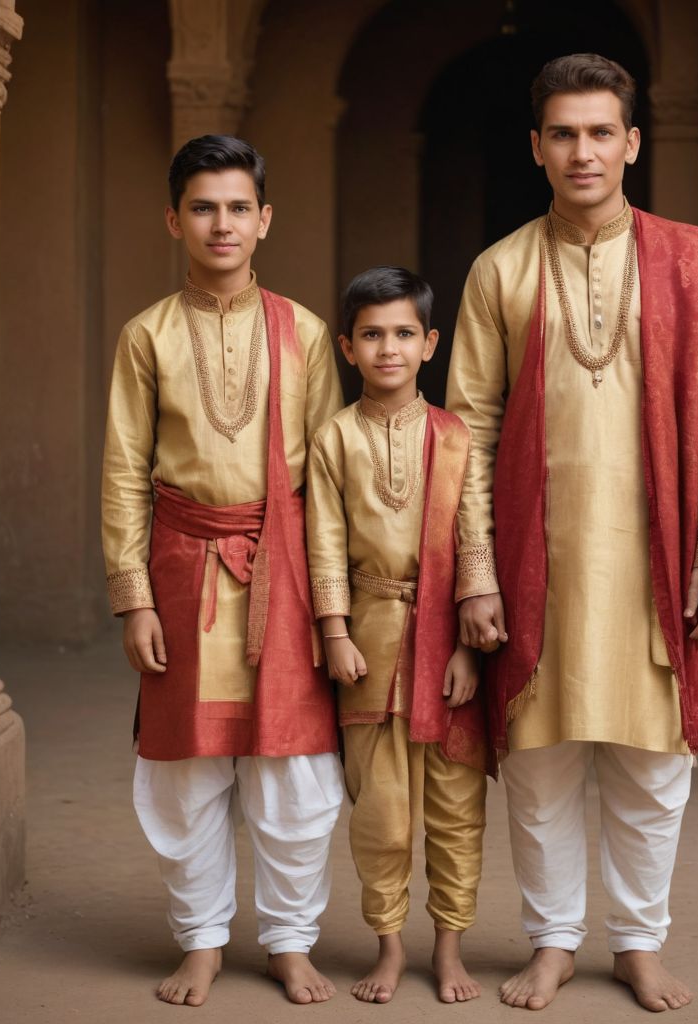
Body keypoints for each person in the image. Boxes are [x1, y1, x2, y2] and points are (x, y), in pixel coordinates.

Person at [446, 54, 698, 1012]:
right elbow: (467, 431)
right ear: (537, 149)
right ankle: (552, 941)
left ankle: (637, 941)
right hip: (539, 560)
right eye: (564, 134)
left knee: (654, 763)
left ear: (631, 143)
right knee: (538, 762)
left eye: (600, 132)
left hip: (652, 559)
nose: (584, 151)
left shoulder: (685, 262)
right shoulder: (499, 268)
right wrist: (478, 574)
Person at [101, 134, 344, 1007]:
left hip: (284, 561)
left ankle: (288, 940)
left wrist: (331, 610)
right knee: (187, 767)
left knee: (292, 769)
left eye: (239, 207)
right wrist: (134, 600)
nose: (222, 223)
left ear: (265, 220)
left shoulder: (307, 332)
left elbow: (331, 477)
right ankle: (201, 940)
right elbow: (126, 470)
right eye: (203, 207)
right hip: (180, 565)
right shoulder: (147, 336)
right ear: (175, 219)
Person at [306, 267, 493, 1005]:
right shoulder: (333, 439)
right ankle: (388, 947)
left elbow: (474, 535)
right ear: (347, 348)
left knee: (455, 809)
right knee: (380, 811)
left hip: (448, 642)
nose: (389, 348)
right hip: (371, 646)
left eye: (404, 334)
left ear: (430, 344)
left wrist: (468, 646)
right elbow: (324, 541)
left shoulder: (455, 436)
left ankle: (449, 948)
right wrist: (334, 633)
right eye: (372, 335)